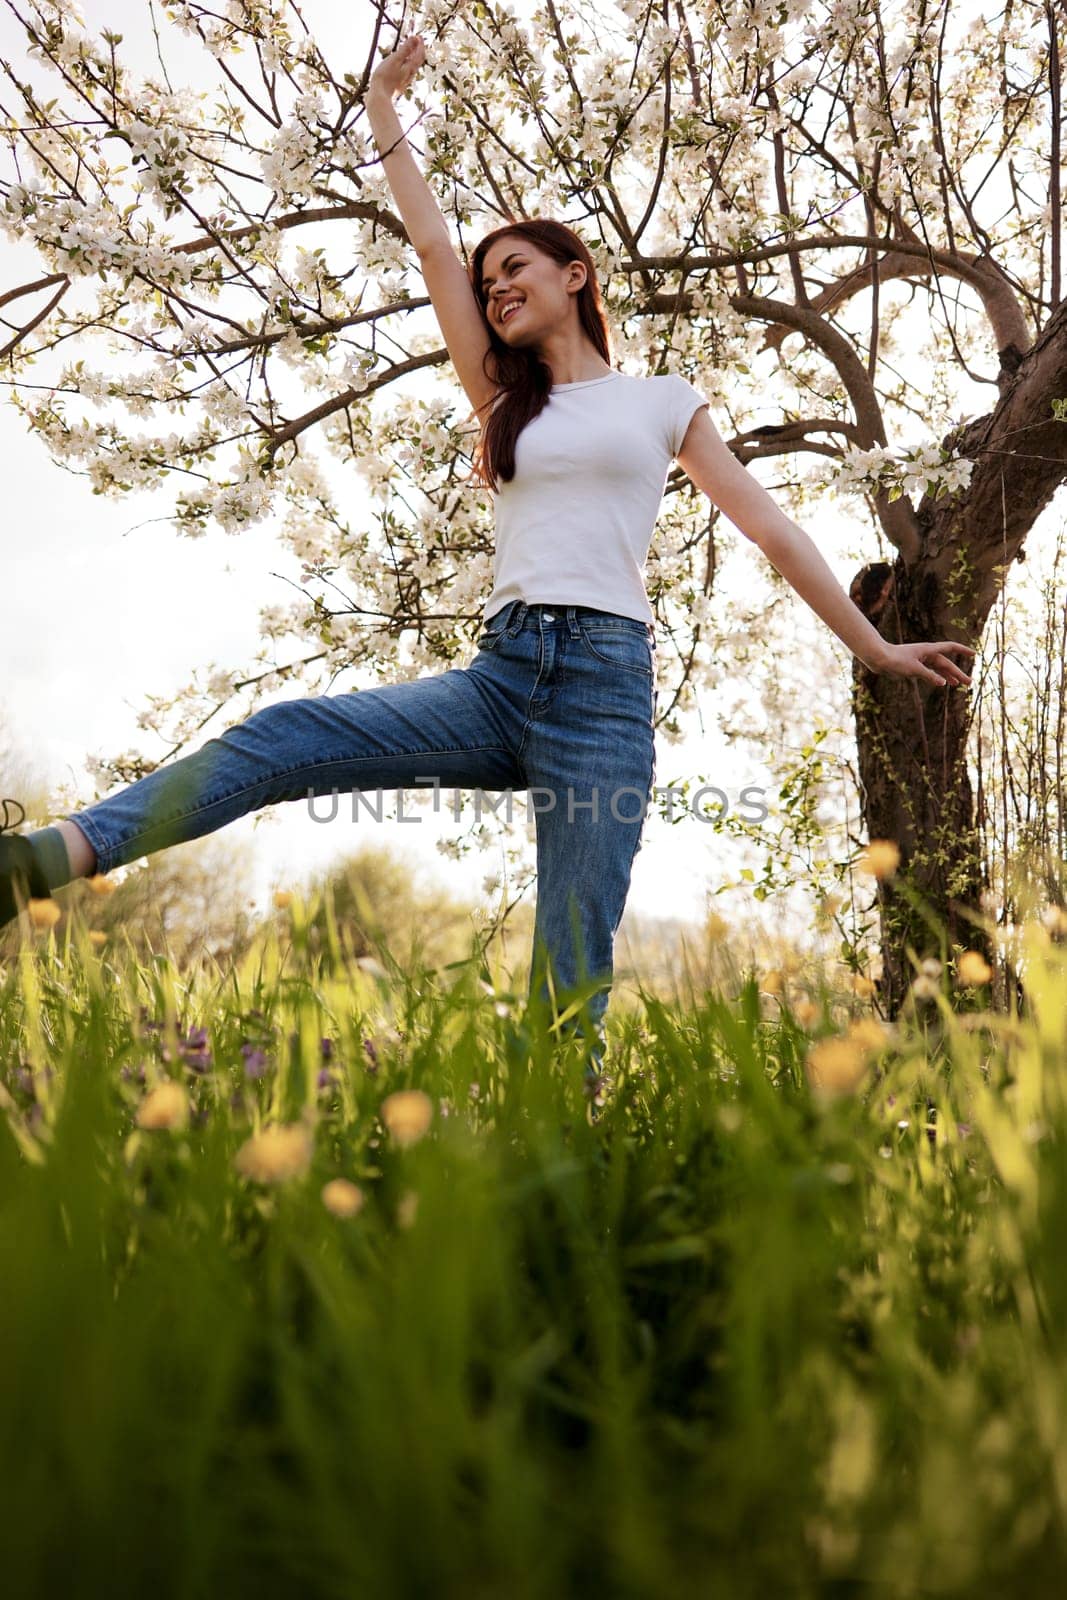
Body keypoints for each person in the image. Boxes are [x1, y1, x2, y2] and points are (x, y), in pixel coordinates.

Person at [0, 34, 975, 1066]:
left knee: (568, 970)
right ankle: (42, 858)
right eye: (487, 279)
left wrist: (872, 648)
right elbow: (427, 245)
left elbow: (770, 529)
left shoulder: (660, 403)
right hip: (502, 675)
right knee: (281, 737)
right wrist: (383, 111)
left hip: (604, 692)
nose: (495, 287)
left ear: (574, 273)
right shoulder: (506, 400)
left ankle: (557, 1178)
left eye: (514, 269)